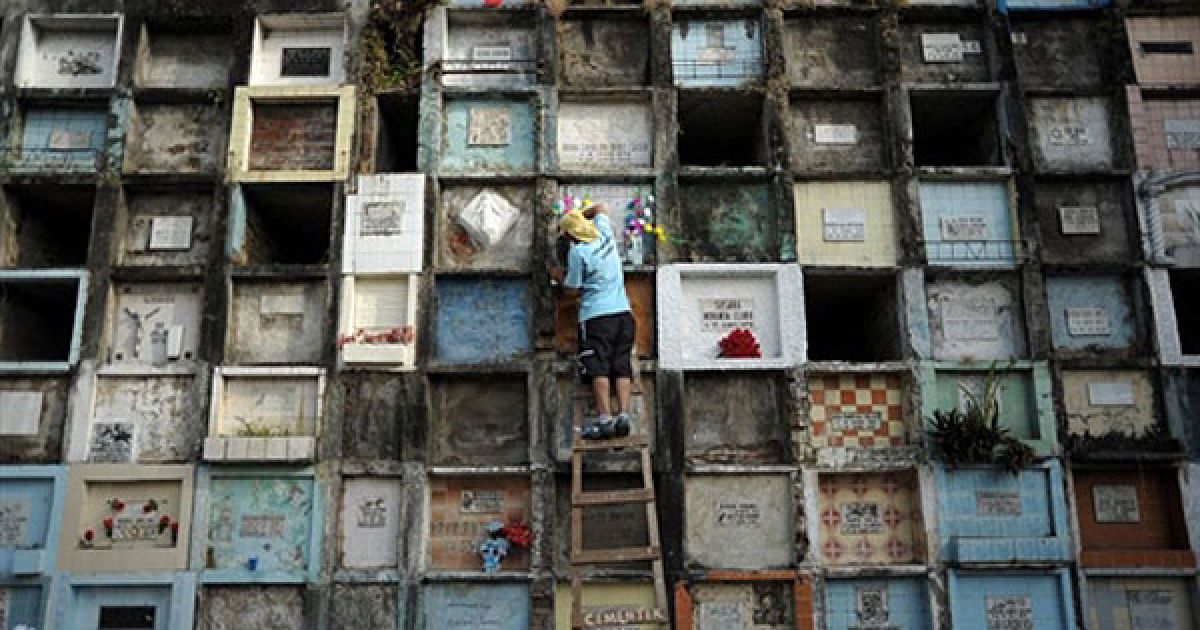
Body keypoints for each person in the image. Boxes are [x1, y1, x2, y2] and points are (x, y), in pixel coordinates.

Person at [549, 204, 635, 439]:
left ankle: (605, 420)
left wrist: (558, 277)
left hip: (597, 317)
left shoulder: (579, 252)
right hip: (624, 315)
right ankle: (624, 416)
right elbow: (602, 208)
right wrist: (578, 214)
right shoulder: (605, 234)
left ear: (571, 236)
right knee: (621, 365)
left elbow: (572, 290)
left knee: (599, 367)